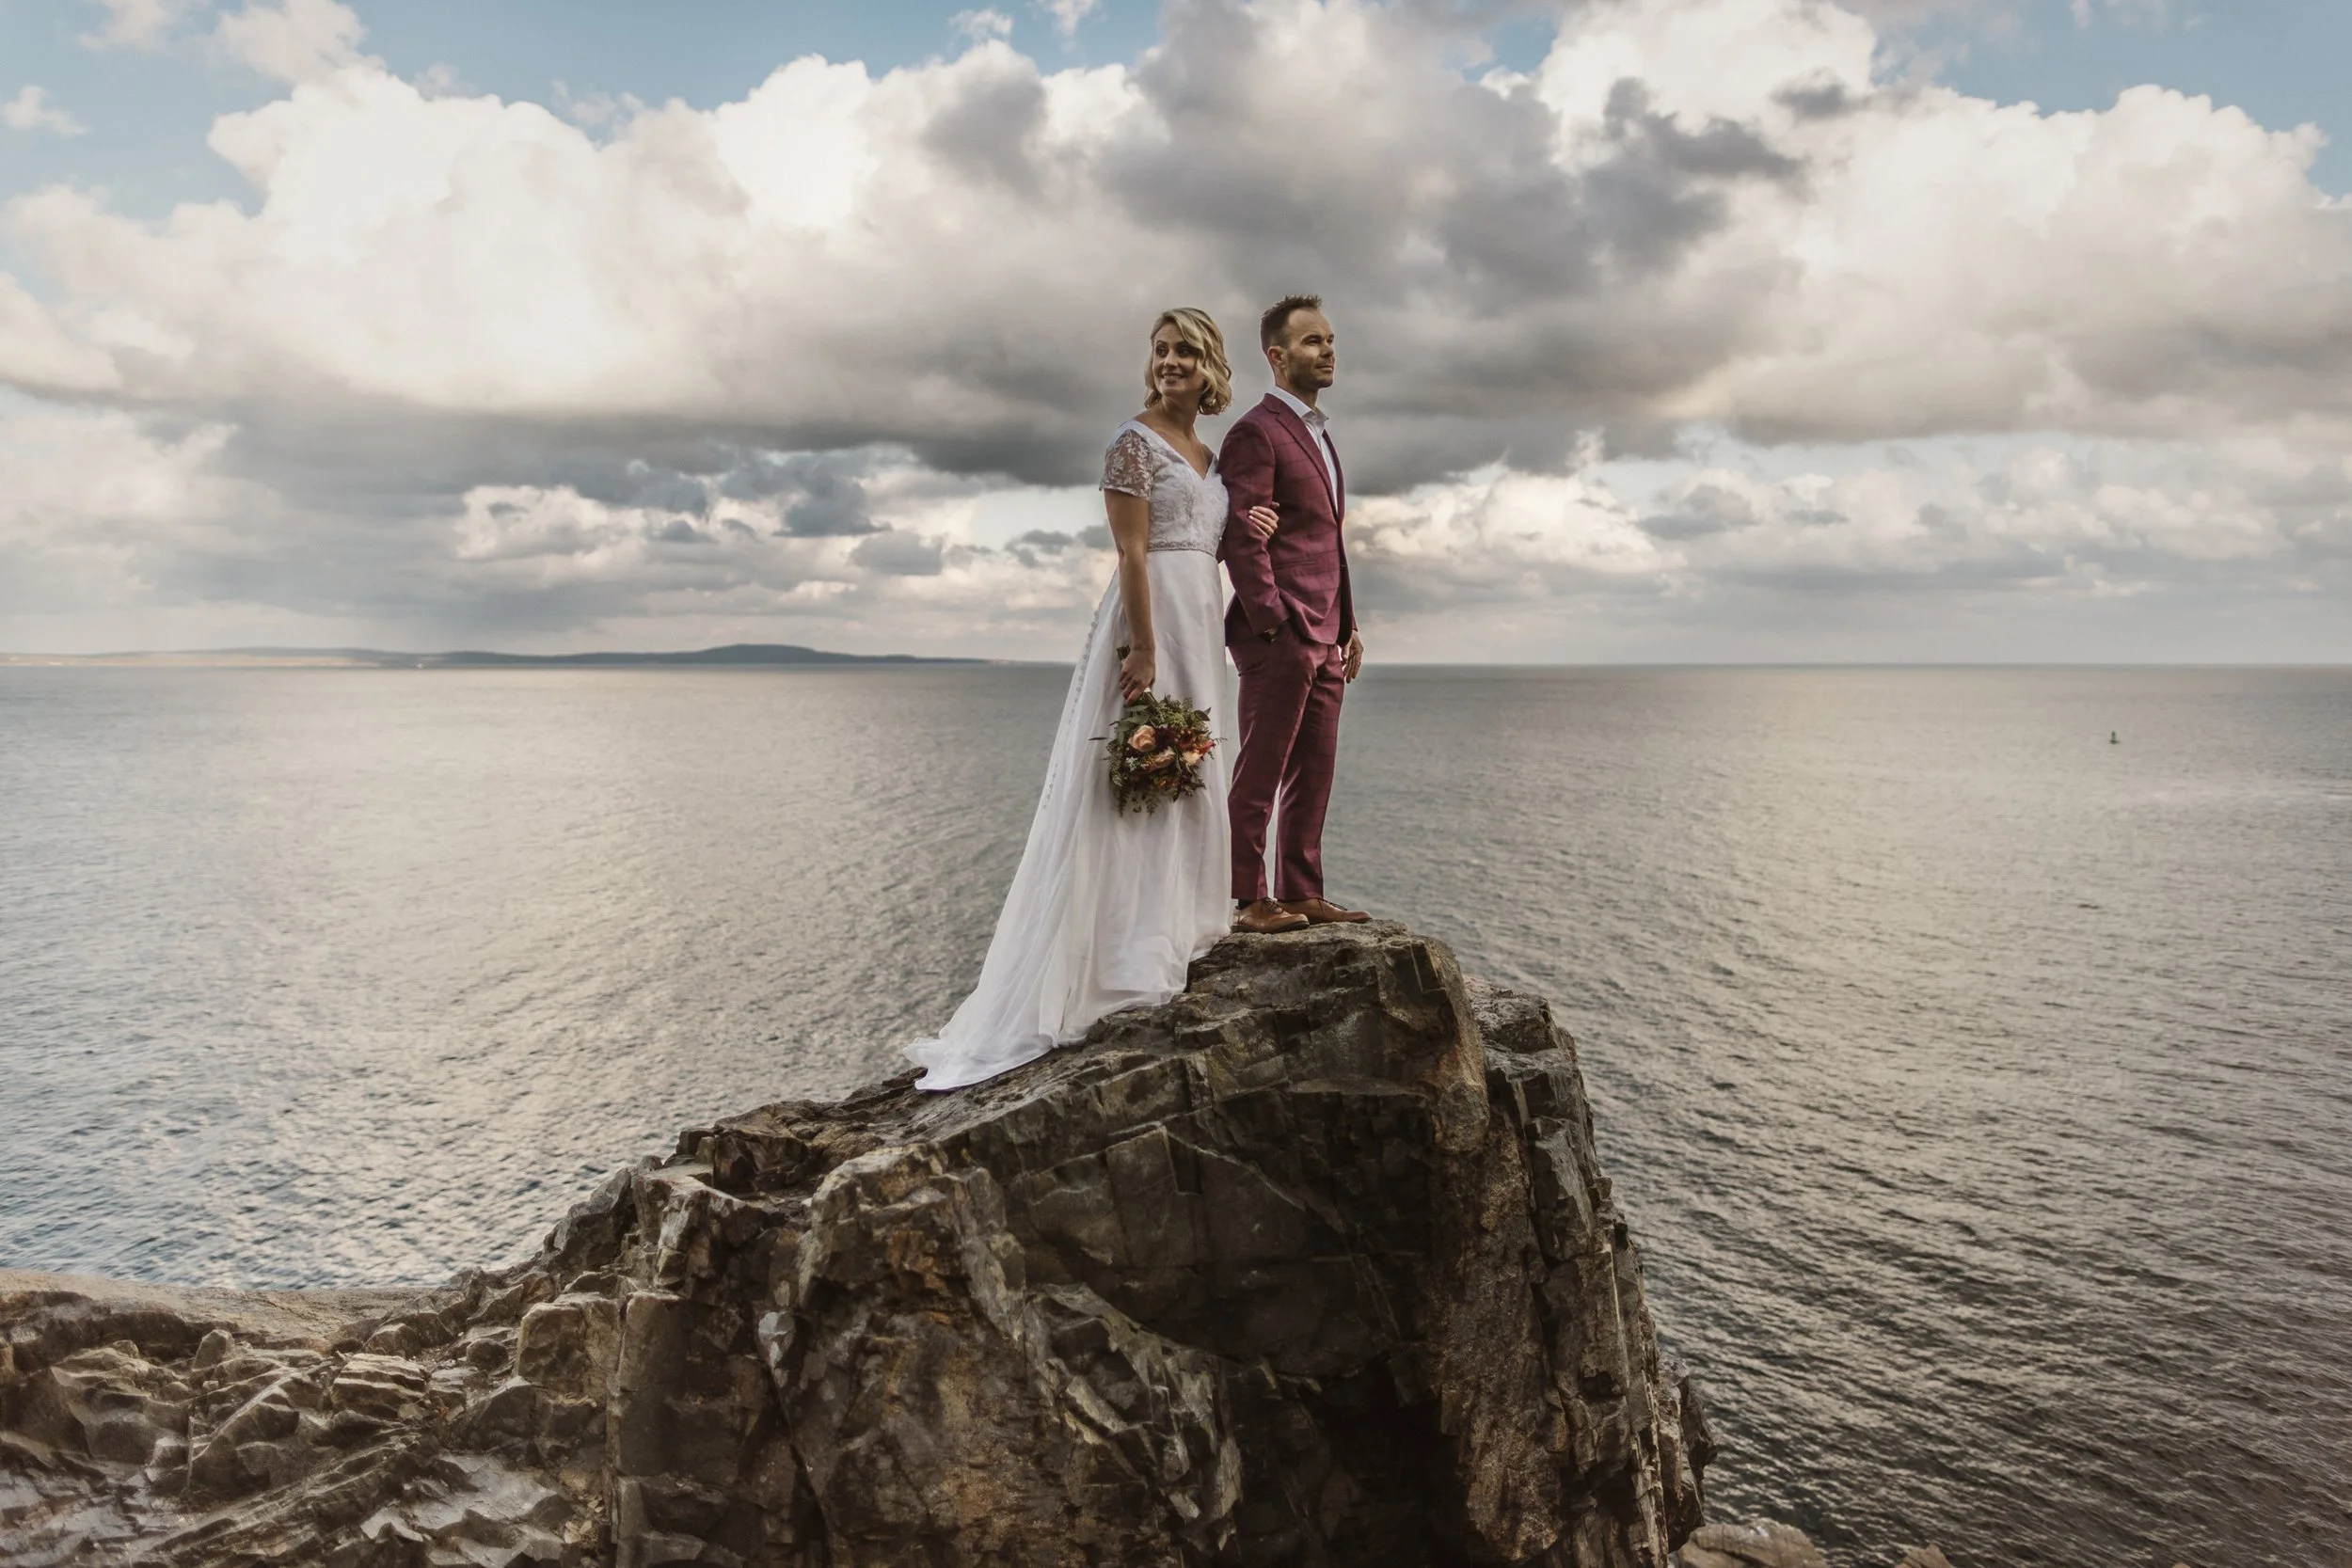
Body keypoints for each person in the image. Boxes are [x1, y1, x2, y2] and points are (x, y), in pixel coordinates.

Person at [903, 309, 1279, 1091]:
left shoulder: (1209, 456)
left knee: (1192, 770)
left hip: (1201, 618)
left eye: (1186, 352)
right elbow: (1133, 550)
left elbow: (1226, 536)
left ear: (1212, 369)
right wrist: (1141, 645)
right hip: (1154, 617)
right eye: (1162, 350)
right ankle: (1119, 956)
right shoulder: (1132, 443)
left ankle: (1182, 923)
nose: (1171, 361)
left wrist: (1259, 521)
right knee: (1137, 778)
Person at [1217, 294, 1370, 934]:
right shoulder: (1256, 431)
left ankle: (1301, 890)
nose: (1328, 349)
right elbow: (1240, 534)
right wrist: (1275, 623)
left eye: (1330, 339)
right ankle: (1250, 899)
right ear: (1276, 357)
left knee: (1314, 771)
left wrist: (1348, 625)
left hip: (1326, 634)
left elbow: (1328, 540)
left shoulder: (1321, 435)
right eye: (1312, 342)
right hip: (1281, 635)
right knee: (1262, 769)